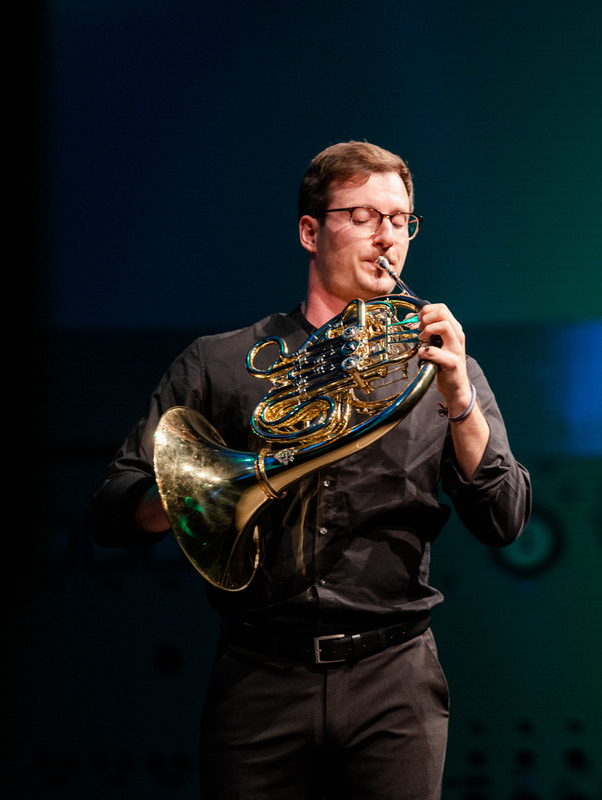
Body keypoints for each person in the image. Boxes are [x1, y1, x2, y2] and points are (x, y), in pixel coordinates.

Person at [90, 140, 532, 799]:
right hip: (261, 673)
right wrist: (196, 499)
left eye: (401, 219)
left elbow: (505, 519)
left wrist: (461, 400)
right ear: (310, 230)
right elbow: (113, 508)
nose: (389, 236)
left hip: (395, 676)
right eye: (365, 216)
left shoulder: (440, 369)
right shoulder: (223, 363)